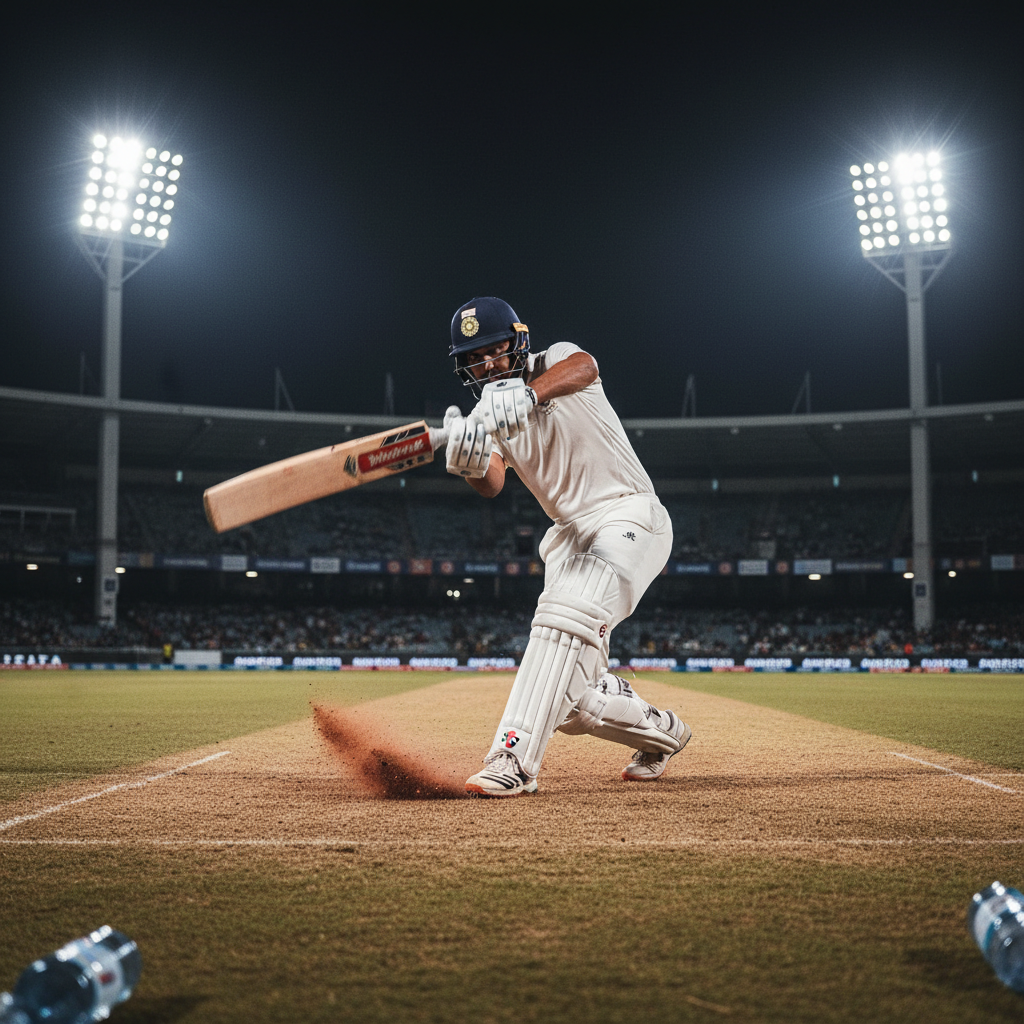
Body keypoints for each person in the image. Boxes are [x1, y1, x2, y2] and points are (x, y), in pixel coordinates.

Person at [444, 296, 691, 797]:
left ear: (518, 341)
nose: (487, 364)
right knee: (573, 701)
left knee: (564, 613)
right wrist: (469, 461)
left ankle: (513, 758)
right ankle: (663, 732)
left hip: (628, 511)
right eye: (474, 357)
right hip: (569, 536)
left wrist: (529, 395)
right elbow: (492, 483)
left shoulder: (555, 360)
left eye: (494, 350)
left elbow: (586, 367)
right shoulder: (485, 415)